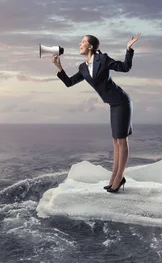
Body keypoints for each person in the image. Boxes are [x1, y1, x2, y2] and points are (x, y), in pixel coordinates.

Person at [53, 33, 140, 193]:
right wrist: (59, 67)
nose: (80, 43)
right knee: (115, 141)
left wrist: (128, 49)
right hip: (113, 104)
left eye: (83, 41)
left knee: (121, 141)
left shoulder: (103, 59)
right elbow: (69, 82)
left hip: (122, 102)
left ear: (91, 47)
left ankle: (119, 177)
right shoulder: (83, 68)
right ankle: (115, 177)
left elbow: (125, 67)